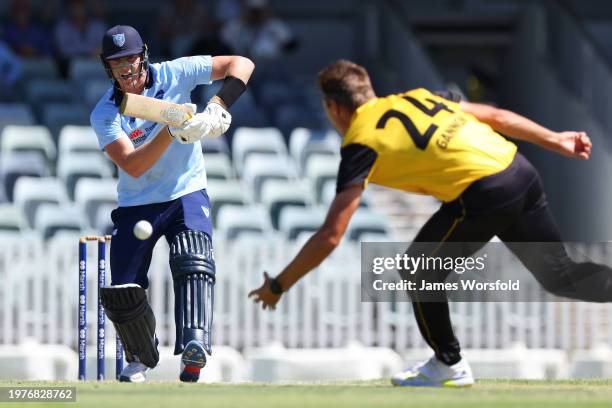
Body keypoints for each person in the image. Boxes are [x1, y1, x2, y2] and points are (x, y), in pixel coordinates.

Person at [248, 59, 612, 387]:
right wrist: (554, 139)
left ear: (333, 107)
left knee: (419, 271)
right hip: (519, 170)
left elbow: (331, 235)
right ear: (368, 88)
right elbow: (495, 117)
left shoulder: (361, 140)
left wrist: (280, 285)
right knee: (560, 276)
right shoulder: (418, 96)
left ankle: (448, 363)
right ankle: (447, 361)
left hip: (483, 190)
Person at [90, 25, 254, 383]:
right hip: (138, 202)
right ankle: (139, 356)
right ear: (108, 67)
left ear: (143, 55)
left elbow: (241, 63)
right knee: (124, 290)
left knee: (193, 259)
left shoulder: (174, 72)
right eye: (118, 65)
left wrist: (219, 104)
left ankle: (194, 346)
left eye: (131, 61)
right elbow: (133, 164)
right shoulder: (105, 113)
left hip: (186, 191)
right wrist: (172, 130)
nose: (127, 71)